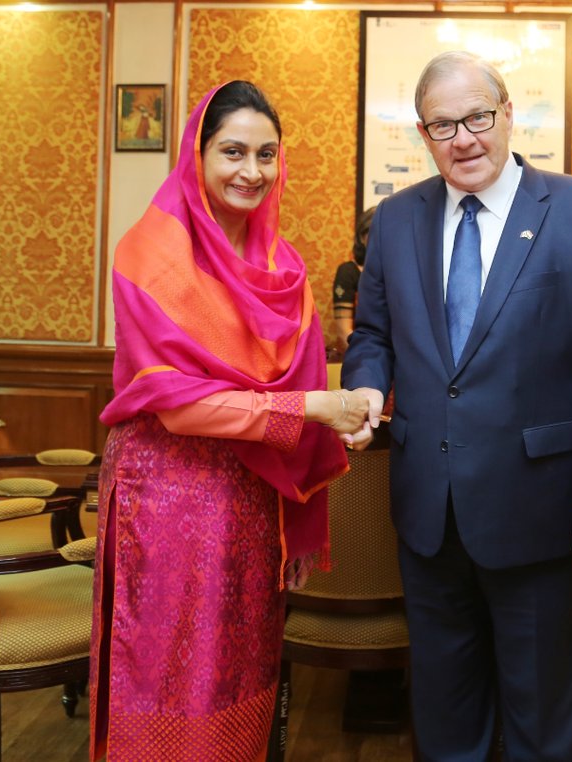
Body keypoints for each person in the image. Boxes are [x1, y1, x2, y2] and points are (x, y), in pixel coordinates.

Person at [341, 52, 572, 760]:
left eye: (477, 117)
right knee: (445, 721)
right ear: (424, 134)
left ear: (508, 114)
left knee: (545, 725)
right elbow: (373, 334)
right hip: (429, 515)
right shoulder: (396, 219)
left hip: (542, 514)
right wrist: (367, 384)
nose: (464, 139)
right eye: (442, 126)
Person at [91, 80, 370, 760]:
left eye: (266, 154)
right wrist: (316, 407)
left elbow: (305, 392)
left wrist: (302, 521)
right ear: (199, 154)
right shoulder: (149, 255)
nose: (252, 171)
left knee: (240, 670)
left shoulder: (285, 270)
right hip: (165, 496)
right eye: (233, 151)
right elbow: (178, 405)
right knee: (163, 672)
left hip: (251, 502)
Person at [332, 205, 376, 354]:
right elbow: (343, 331)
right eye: (374, 233)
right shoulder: (348, 272)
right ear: (362, 238)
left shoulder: (400, 270)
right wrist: (366, 360)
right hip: (363, 355)